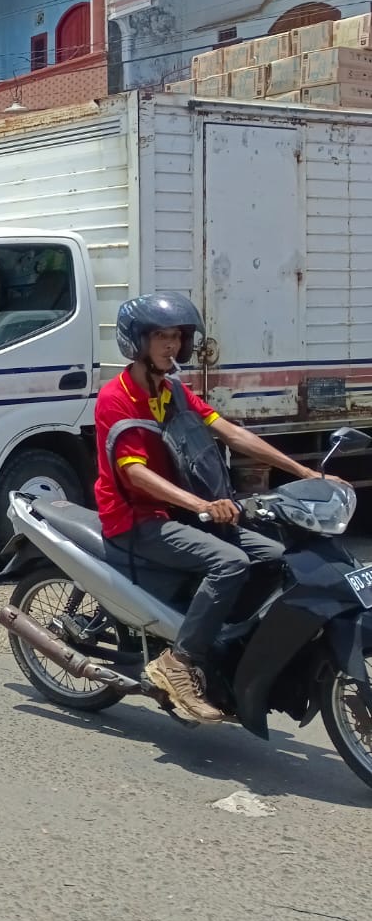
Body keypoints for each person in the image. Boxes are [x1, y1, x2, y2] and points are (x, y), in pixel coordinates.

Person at [96, 292, 320, 723]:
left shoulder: (175, 392)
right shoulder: (116, 398)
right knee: (231, 562)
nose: (172, 346)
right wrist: (201, 503)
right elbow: (135, 474)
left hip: (180, 512)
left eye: (177, 336)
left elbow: (231, 434)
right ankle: (178, 662)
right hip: (136, 518)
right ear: (137, 342)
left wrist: (303, 472)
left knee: (275, 556)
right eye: (161, 336)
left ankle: (223, 644)